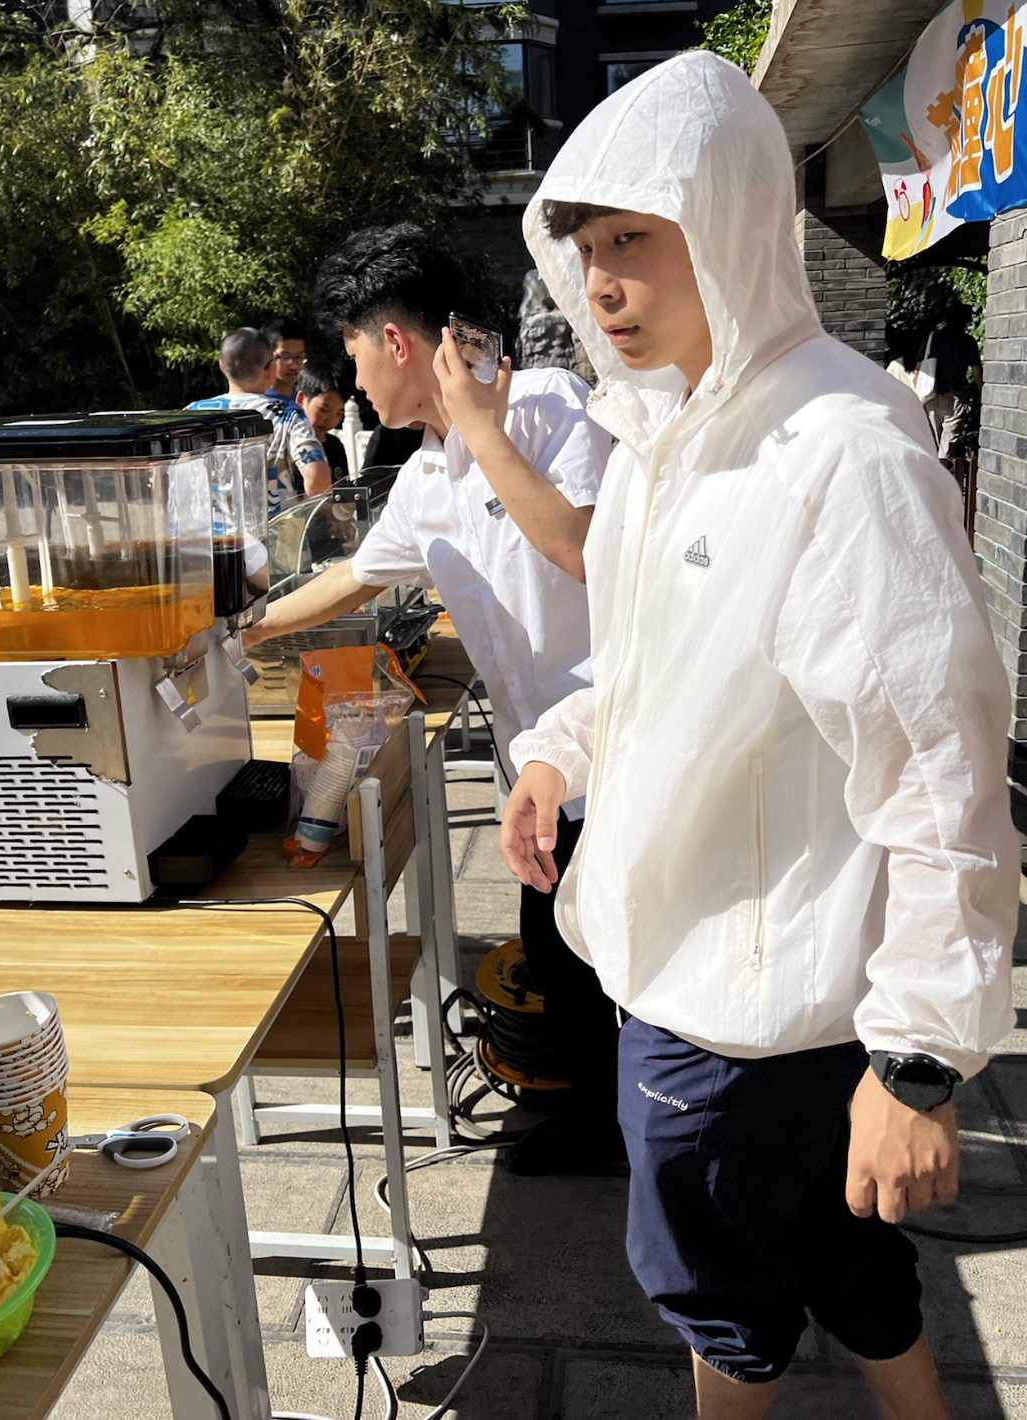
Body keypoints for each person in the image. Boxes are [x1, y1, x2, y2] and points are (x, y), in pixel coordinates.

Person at [498, 53, 1018, 1418]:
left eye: (633, 239)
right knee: (851, 1269)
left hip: (740, 1014)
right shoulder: (664, 436)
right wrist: (558, 750)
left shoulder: (840, 447)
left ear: (726, 221)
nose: (601, 282)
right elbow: (649, 672)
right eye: (584, 247)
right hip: (720, 983)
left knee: (724, 1317)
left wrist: (918, 1058)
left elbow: (944, 769)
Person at [245, 222, 623, 1173]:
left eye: (355, 354)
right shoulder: (421, 477)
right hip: (541, 765)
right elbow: (352, 580)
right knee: (558, 945)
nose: (355, 380)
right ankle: (602, 1125)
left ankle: (649, 1137)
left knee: (623, 955)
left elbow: (584, 549)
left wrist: (483, 433)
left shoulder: (546, 407)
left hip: (621, 744)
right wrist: (238, 631)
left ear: (396, 342)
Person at [188, 327, 330, 517]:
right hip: (275, 530)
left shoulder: (192, 414)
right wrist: (323, 513)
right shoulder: (288, 414)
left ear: (222, 366)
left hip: (209, 531)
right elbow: (316, 477)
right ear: (270, 369)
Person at [914, 302, 983, 470]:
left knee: (932, 441)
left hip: (930, 395)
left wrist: (918, 393)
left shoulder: (932, 338)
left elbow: (918, 370)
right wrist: (984, 394)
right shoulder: (967, 341)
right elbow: (977, 373)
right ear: (966, 320)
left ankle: (932, 474)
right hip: (955, 397)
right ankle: (942, 474)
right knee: (948, 442)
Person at [295, 363, 350, 483]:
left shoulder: (335, 446)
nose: (330, 419)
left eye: (339, 413)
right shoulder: (288, 445)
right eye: (324, 409)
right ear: (301, 399)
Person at [262, 316, 308, 401]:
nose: (293, 366)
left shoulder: (307, 399)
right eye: (285, 357)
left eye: (299, 357)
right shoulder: (259, 402)